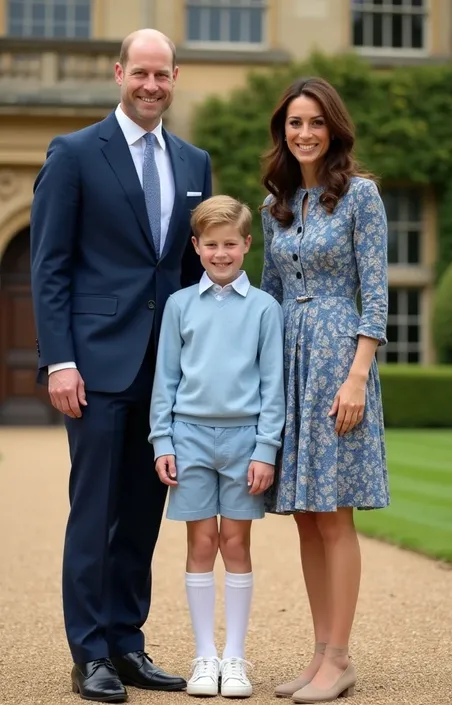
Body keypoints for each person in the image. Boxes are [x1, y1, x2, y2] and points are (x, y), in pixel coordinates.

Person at [30, 28, 212, 703]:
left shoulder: (195, 162)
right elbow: (49, 266)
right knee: (95, 510)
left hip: (169, 371)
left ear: (174, 78)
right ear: (119, 73)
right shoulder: (76, 153)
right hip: (98, 362)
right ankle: (91, 653)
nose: (151, 86)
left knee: (141, 510)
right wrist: (60, 360)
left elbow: (195, 272)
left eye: (162, 75)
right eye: (140, 73)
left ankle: (128, 642)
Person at [260, 77, 389, 703]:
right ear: (282, 132)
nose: (304, 133)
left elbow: (376, 292)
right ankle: (318, 657)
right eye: (293, 123)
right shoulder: (275, 204)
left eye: (314, 122)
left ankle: (340, 659)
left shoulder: (360, 195)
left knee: (335, 516)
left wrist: (358, 375)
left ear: (333, 127)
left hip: (340, 360)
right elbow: (270, 297)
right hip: (289, 362)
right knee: (306, 519)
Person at [148, 195, 285, 699]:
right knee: (201, 543)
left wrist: (266, 450)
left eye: (231, 243)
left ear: (247, 244)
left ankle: (236, 658)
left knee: (237, 544)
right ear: (196, 247)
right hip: (189, 440)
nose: (221, 253)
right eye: (211, 244)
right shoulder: (181, 305)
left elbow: (274, 387)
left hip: (246, 441)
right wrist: (163, 439)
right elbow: (166, 380)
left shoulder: (266, 309)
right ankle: (204, 656)